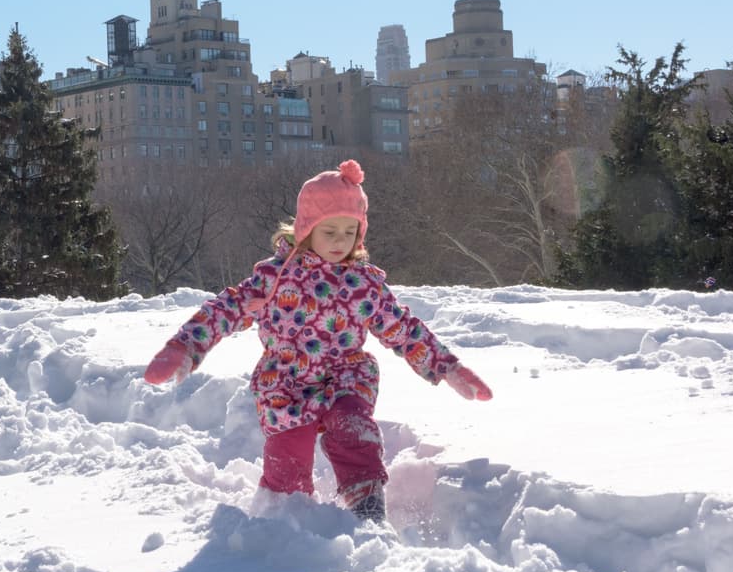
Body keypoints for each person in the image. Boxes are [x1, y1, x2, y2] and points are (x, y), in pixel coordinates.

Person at [144, 159, 492, 522]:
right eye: (330, 231)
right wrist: (185, 346)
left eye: (350, 231)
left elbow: (403, 328)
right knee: (288, 453)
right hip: (286, 383)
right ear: (306, 229)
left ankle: (367, 504)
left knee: (354, 429)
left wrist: (447, 367)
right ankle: (284, 514)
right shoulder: (275, 278)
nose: (341, 241)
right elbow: (227, 308)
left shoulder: (364, 283)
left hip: (345, 377)